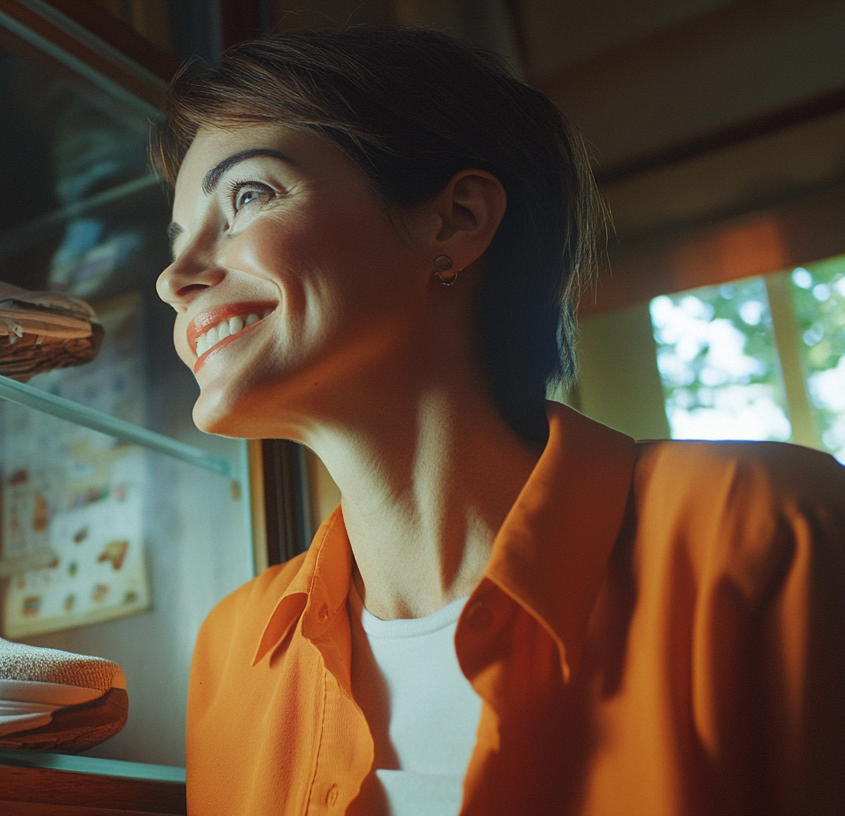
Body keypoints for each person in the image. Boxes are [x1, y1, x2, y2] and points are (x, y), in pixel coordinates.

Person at [155, 26, 845, 816]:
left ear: (455, 220)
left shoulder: (765, 529)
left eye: (248, 197)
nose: (176, 278)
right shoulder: (231, 650)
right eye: (177, 239)